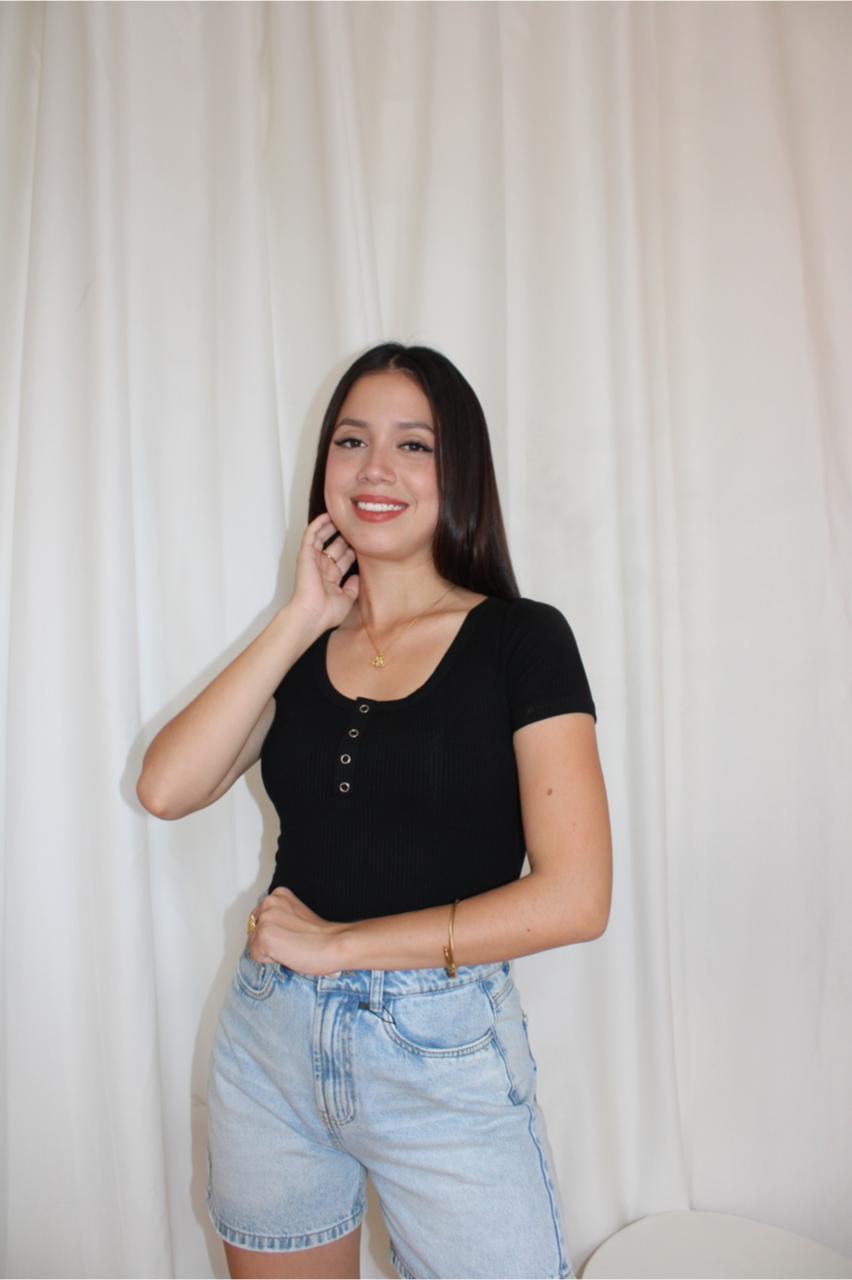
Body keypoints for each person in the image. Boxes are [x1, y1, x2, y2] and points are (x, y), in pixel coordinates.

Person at [137, 342, 612, 1280]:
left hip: (444, 1052)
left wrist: (342, 946)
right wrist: (299, 617)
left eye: (413, 445)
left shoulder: (522, 640)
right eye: (351, 441)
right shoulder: (304, 647)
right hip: (271, 1045)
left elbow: (576, 898)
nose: (375, 469)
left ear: (458, 469)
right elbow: (166, 788)